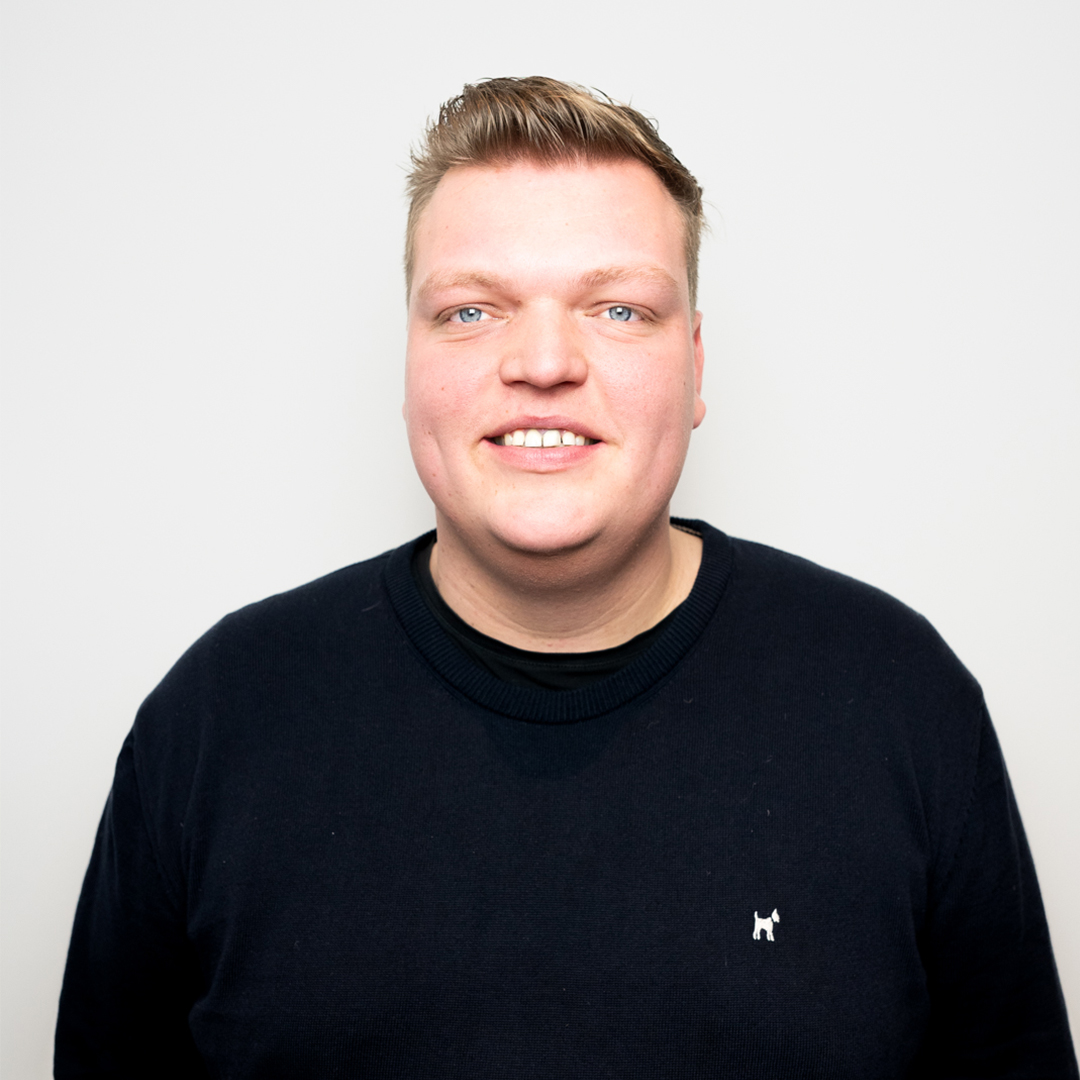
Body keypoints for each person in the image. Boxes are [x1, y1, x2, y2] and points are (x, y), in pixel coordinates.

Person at [55, 76, 1077, 1078]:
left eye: (619, 309)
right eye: (471, 311)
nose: (543, 362)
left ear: (695, 366)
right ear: (409, 363)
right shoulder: (219, 717)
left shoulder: (896, 697)